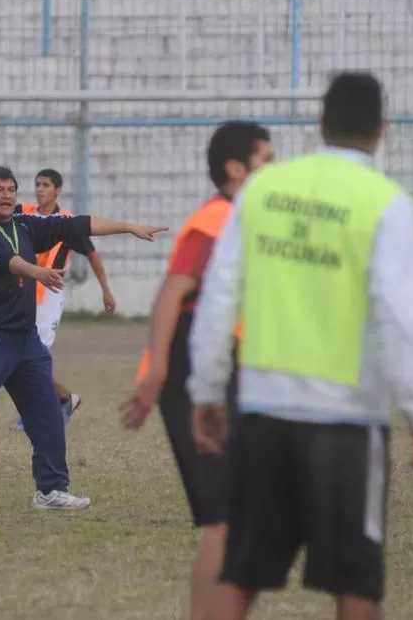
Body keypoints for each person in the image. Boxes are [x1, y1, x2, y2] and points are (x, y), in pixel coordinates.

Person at [186, 72, 413, 620]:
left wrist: (207, 391)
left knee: (241, 573)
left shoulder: (263, 190)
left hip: (263, 412)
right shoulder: (386, 201)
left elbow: (218, 296)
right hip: (349, 421)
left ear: (320, 124)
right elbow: (399, 318)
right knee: (355, 583)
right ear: (382, 130)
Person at [0, 165, 168, 510]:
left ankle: (50, 490)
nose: (7, 195)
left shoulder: (25, 224)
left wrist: (128, 227)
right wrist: (37, 271)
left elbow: (77, 225)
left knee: (47, 413)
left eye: (11, 189)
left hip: (26, 339)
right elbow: (6, 260)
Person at [119, 121, 275, 620]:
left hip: (214, 364)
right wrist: (158, 372)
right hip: (190, 365)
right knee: (224, 520)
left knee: (236, 516)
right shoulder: (217, 218)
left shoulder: (243, 217)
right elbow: (172, 292)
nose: (276, 168)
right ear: (236, 168)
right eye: (266, 159)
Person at [0, 168, 117, 430]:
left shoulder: (65, 221)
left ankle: (53, 404)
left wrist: (106, 289)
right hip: (22, 292)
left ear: (57, 190)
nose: (40, 190)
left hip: (49, 295)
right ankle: (59, 401)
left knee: (34, 354)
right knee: (24, 356)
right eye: (37, 184)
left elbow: (92, 254)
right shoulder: (25, 212)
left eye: (46, 185)